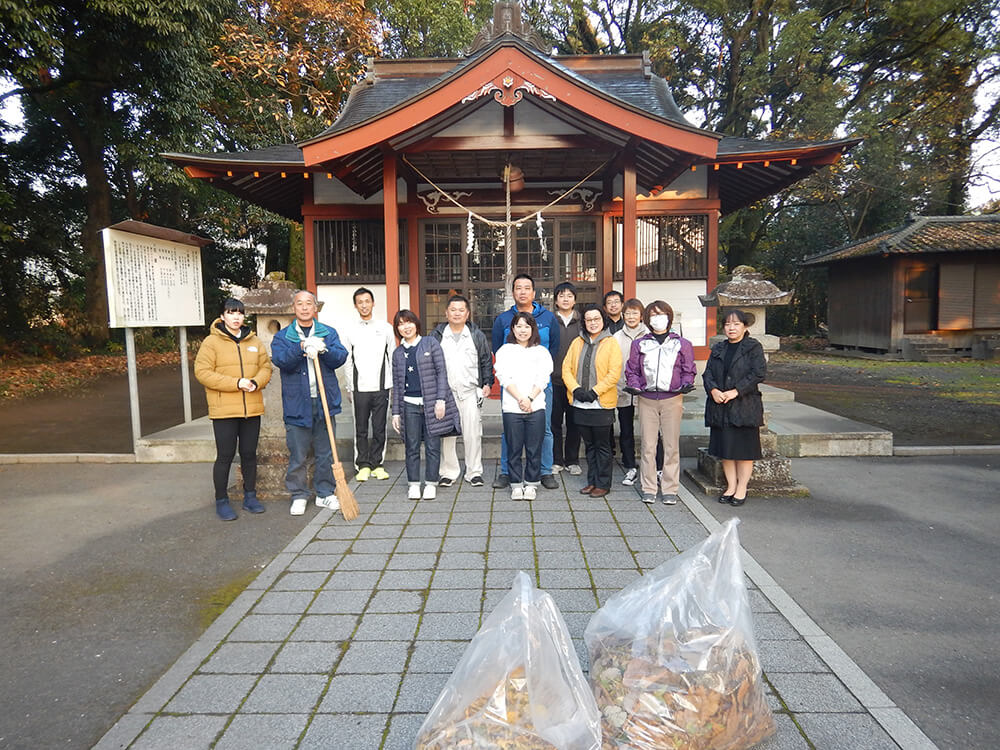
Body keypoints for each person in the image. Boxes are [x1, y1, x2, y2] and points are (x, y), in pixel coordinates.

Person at [194, 297, 273, 521]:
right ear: (222, 316)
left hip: (252, 408)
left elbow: (265, 367)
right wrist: (236, 383)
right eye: (231, 313)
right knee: (225, 455)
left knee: (249, 454)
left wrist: (257, 382)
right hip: (224, 410)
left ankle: (250, 496)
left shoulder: (254, 340)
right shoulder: (211, 342)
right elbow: (203, 373)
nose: (236, 317)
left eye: (239, 313)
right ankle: (221, 500)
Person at [271, 290, 348, 516]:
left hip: (324, 402)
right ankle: (299, 494)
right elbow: (281, 361)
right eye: (299, 304)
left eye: (308, 304)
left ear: (315, 308)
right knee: (298, 453)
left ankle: (324, 493)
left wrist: (324, 349)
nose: (304, 308)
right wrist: (301, 347)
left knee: (325, 452)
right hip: (297, 405)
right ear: (293, 308)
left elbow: (340, 357)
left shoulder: (328, 333)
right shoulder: (283, 337)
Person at [491, 274, 560, 490]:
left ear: (534, 292)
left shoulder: (548, 317)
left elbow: (554, 349)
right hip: (512, 387)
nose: (522, 291)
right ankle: (506, 472)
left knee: (545, 429)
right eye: (518, 288)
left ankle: (545, 471)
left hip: (540, 386)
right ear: (512, 293)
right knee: (509, 430)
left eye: (527, 287)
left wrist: (535, 387)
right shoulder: (503, 319)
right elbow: (497, 349)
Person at [625, 300, 696, 505]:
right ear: (647, 319)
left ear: (669, 317)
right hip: (646, 399)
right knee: (648, 444)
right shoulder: (640, 343)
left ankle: (670, 487)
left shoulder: (682, 343)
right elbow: (632, 370)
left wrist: (686, 383)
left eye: (662, 314)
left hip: (672, 398)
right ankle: (648, 487)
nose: (658, 318)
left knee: (671, 445)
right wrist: (635, 385)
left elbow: (688, 369)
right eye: (653, 315)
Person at [391, 310, 462, 500]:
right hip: (409, 405)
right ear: (397, 329)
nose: (406, 327)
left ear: (416, 324)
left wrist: (441, 400)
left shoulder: (430, 343)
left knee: (433, 445)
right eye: (401, 324)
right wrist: (395, 412)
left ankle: (431, 482)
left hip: (431, 403)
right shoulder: (398, 353)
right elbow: (397, 385)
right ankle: (413, 483)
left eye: (409, 322)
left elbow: (441, 372)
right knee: (411, 446)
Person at [703, 309, 766, 507]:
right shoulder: (719, 348)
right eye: (728, 324)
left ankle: (741, 488)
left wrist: (736, 391)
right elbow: (708, 374)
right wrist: (713, 390)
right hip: (721, 406)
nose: (731, 327)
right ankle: (730, 486)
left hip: (744, 405)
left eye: (736, 324)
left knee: (745, 450)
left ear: (744, 326)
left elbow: (758, 373)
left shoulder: (752, 347)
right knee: (726, 449)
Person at [430, 294, 494, 488]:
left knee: (472, 433)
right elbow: (430, 363)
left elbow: (485, 360)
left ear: (467, 314)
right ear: (446, 313)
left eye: (461, 310)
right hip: (446, 393)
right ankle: (449, 472)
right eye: (453, 310)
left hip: (469, 391)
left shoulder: (475, 334)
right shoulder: (437, 335)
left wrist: (487, 383)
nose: (457, 313)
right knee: (447, 434)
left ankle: (474, 471)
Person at [562, 304, 622, 498]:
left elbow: (614, 373)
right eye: (589, 319)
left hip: (601, 403)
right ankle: (592, 480)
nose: (593, 323)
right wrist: (576, 389)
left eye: (597, 319)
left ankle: (603, 483)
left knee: (602, 445)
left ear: (603, 320)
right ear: (584, 322)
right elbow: (566, 369)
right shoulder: (577, 342)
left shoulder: (611, 342)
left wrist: (595, 392)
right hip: (580, 402)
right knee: (588, 445)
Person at [494, 313, 553, 501]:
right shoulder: (505, 350)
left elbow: (543, 377)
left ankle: (532, 483)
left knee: (535, 447)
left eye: (526, 326)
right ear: (512, 329)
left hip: (536, 406)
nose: (522, 330)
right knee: (514, 447)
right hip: (512, 407)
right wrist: (521, 398)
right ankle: (516, 483)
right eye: (518, 326)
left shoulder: (541, 352)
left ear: (533, 329)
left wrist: (529, 398)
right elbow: (503, 376)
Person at [341, 287, 395, 482]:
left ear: (373, 303)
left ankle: (377, 463)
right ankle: (362, 464)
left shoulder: (385, 327)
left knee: (380, 427)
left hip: (381, 387)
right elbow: (347, 360)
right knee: (361, 428)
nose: (364, 305)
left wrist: (391, 386)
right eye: (360, 302)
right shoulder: (350, 329)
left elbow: (392, 356)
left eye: (367, 301)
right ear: (355, 305)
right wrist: (349, 387)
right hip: (359, 388)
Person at [613, 298, 648, 487]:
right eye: (628, 313)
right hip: (624, 389)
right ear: (622, 315)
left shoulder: (650, 335)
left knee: (651, 430)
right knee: (626, 430)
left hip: (647, 391)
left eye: (635, 313)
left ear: (641, 315)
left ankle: (655, 467)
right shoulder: (617, 337)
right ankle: (629, 466)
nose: (631, 316)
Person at [550, 281, 582, 476]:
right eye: (561, 296)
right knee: (554, 422)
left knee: (574, 422)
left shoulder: (583, 321)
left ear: (574, 299)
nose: (565, 299)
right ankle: (556, 460)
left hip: (576, 381)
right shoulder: (549, 320)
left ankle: (572, 460)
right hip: (553, 380)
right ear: (555, 300)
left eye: (569, 296)